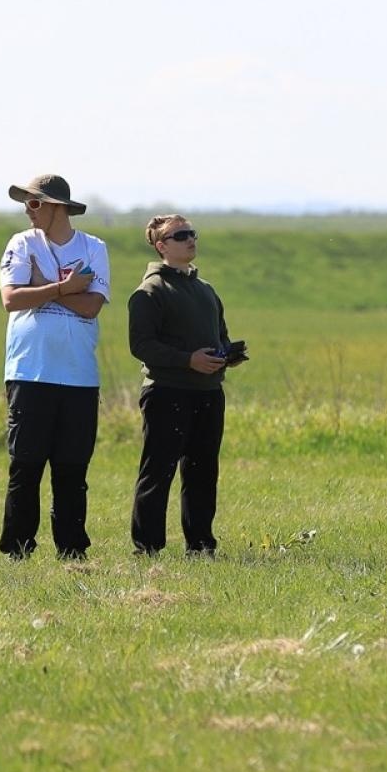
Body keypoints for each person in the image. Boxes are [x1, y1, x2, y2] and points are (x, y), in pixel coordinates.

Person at [0, 174, 111, 560]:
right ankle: (17, 548)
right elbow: (12, 298)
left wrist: (43, 288)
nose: (28, 211)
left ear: (57, 207)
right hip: (30, 372)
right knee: (25, 465)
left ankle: (72, 549)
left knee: (72, 468)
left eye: (34, 204)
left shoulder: (94, 248)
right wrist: (64, 288)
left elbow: (92, 306)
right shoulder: (21, 244)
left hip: (79, 376)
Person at [127, 214, 243, 558]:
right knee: (158, 471)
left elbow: (219, 334)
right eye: (180, 236)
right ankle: (147, 548)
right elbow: (142, 346)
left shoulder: (206, 289)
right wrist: (187, 360)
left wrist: (226, 354)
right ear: (162, 246)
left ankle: (201, 544)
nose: (190, 239)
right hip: (166, 392)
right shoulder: (149, 292)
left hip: (209, 392)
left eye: (192, 233)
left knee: (203, 471)